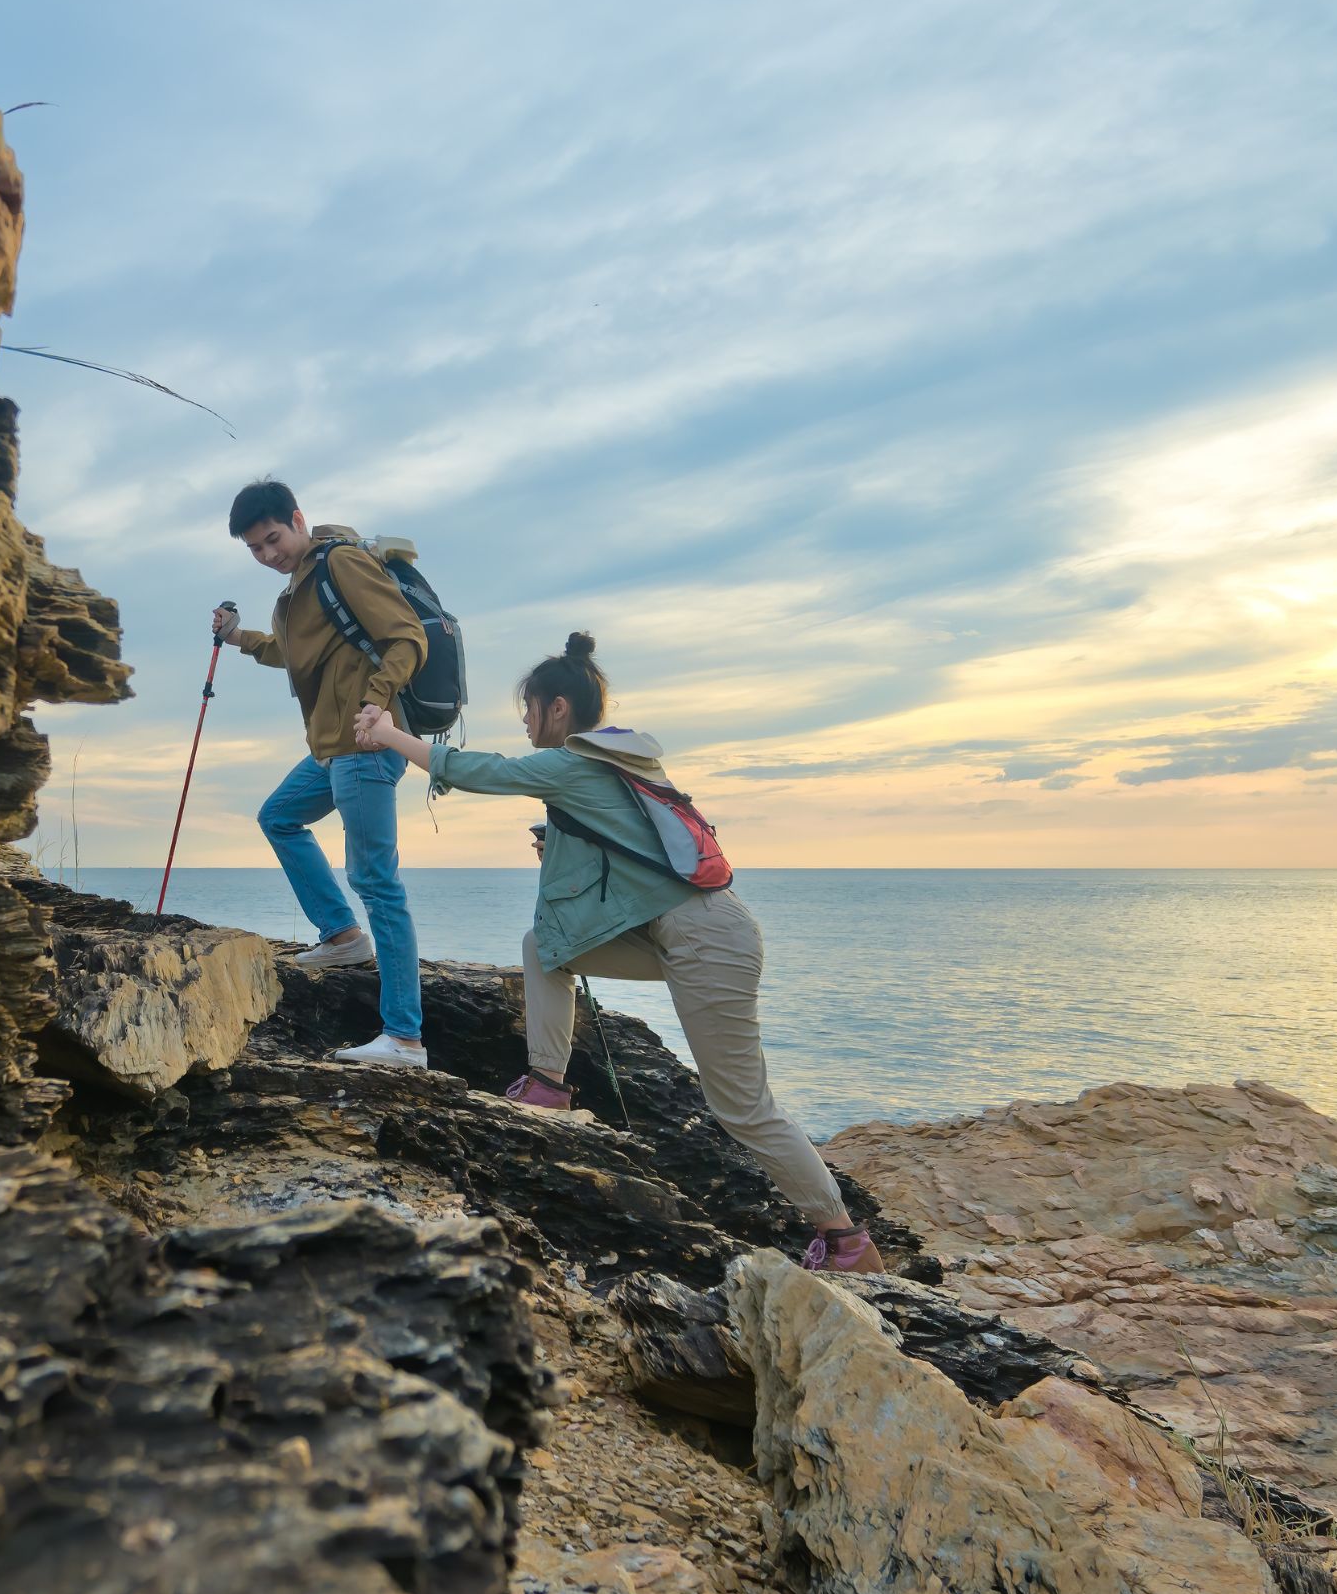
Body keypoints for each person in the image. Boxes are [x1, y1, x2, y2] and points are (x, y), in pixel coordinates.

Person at [351, 633, 885, 1270]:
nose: (524, 720)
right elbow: (626, 881)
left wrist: (388, 732)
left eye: (529, 707)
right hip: (681, 935)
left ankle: (846, 1239)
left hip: (707, 940)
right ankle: (548, 1084)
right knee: (544, 948)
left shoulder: (577, 764)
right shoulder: (618, 767)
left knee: (742, 1106)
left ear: (558, 708)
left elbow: (480, 771)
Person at [212, 477, 426, 1066]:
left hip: (365, 744)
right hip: (334, 747)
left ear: (298, 520)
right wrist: (236, 639)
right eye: (255, 548)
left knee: (377, 882)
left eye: (273, 539)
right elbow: (291, 651)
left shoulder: (342, 565)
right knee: (279, 816)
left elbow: (406, 638)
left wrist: (377, 701)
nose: (267, 554)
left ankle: (404, 1037)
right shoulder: (300, 589)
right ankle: (343, 938)